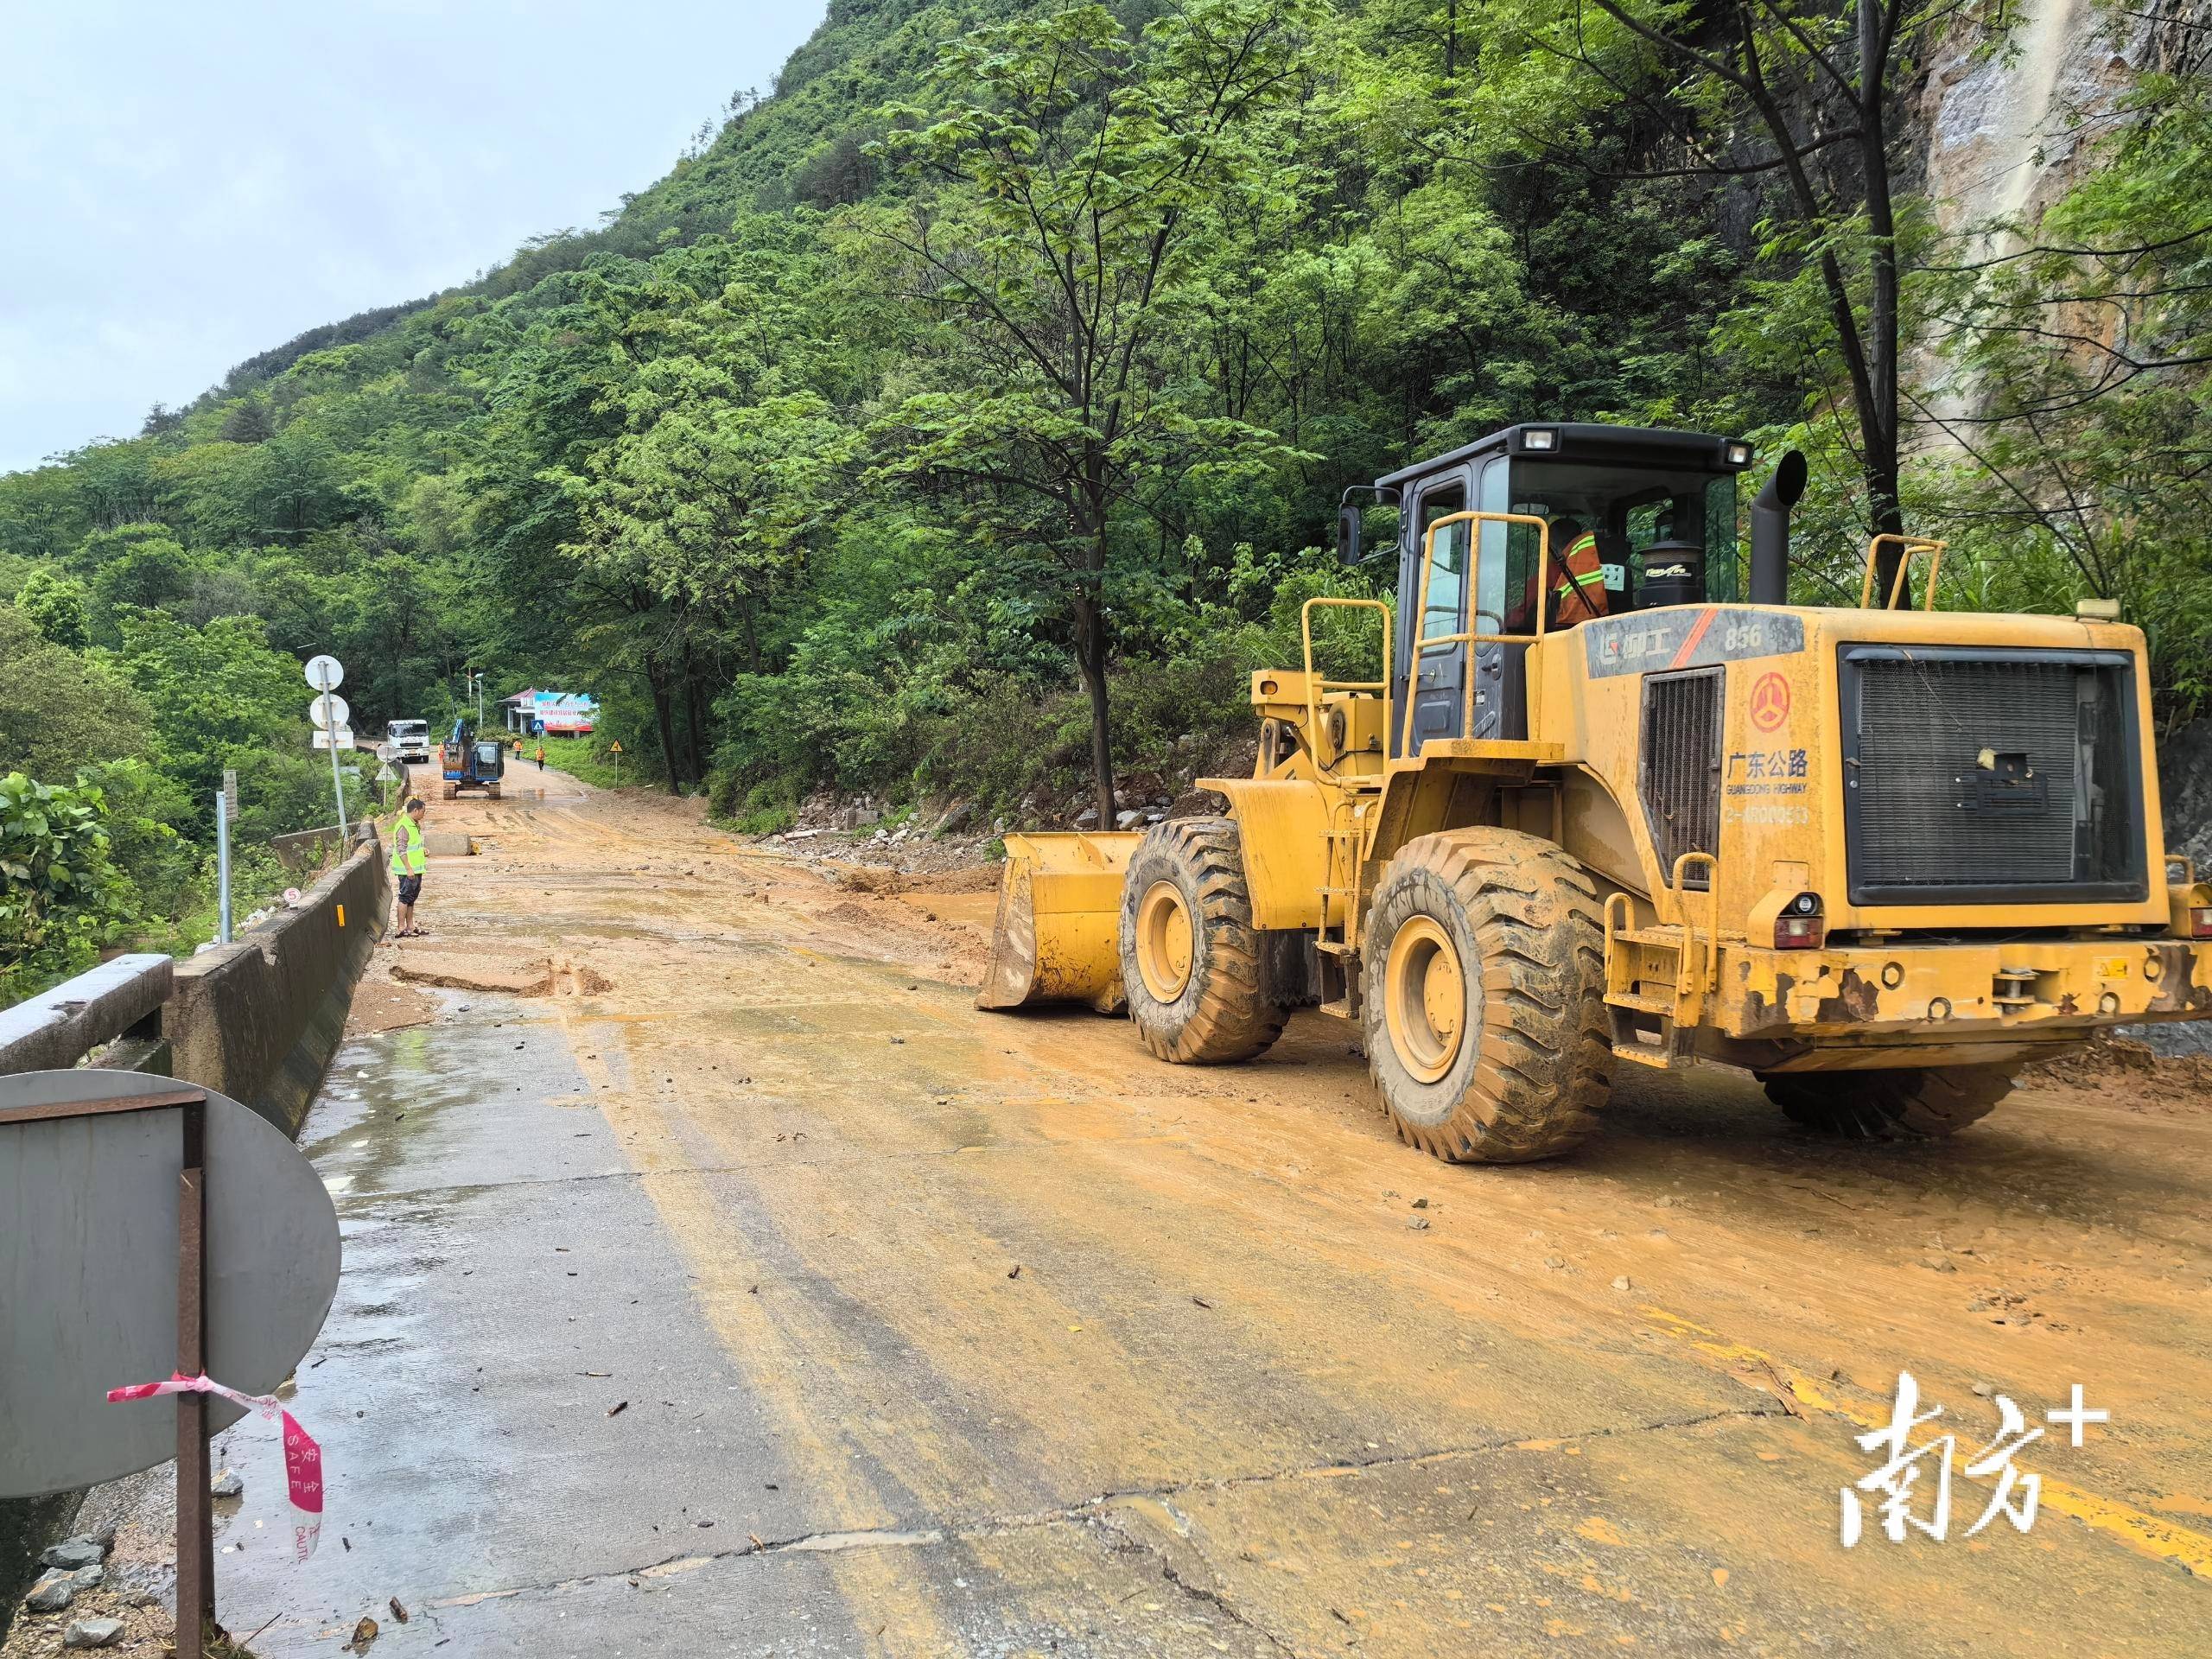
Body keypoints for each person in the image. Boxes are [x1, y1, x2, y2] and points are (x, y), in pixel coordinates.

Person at [391, 797, 429, 939]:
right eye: (423, 812)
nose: (424, 815)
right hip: (407, 870)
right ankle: (401, 928)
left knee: (411, 897)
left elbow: (412, 846)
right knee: (405, 897)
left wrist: (422, 850)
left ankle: (411, 926)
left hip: (415, 869)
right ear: (416, 810)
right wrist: (408, 869)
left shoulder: (413, 824)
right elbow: (401, 849)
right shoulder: (403, 826)